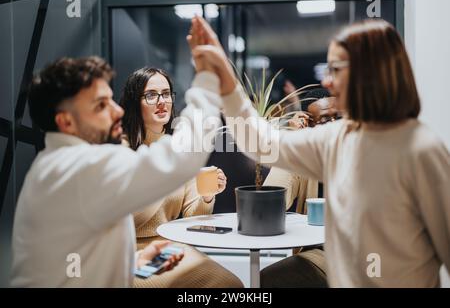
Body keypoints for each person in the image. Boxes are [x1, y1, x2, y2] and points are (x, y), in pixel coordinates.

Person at [190, 16, 450, 287]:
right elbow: (259, 142)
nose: (327, 81)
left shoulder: (420, 150)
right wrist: (224, 78)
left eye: (336, 69)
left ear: (369, 72)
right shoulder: (337, 138)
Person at [11, 37, 225, 286]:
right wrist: (209, 77)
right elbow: (180, 157)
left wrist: (136, 261)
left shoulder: (55, 164)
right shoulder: (83, 166)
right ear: (66, 122)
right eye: (101, 105)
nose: (118, 110)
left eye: (111, 100)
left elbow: (82, 254)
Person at [120, 67, 243, 288]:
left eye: (166, 94)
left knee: (230, 284)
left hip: (170, 248)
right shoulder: (122, 150)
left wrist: (206, 195)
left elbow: (192, 216)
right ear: (134, 102)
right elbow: (130, 219)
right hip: (130, 254)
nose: (161, 101)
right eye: (151, 95)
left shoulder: (178, 147)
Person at [261, 87, 337, 288]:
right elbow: (268, 207)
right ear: (308, 124)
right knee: (267, 280)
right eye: (324, 120)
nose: (333, 126)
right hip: (320, 253)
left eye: (337, 118)